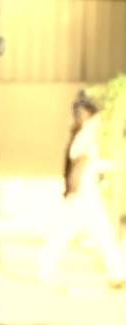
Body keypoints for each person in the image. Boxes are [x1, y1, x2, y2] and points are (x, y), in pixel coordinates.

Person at [39, 92, 126, 288]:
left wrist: (112, 166)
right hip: (83, 195)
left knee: (93, 233)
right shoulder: (85, 134)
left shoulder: (84, 133)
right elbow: (79, 165)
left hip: (84, 193)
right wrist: (72, 190)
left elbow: (88, 164)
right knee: (83, 233)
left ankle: (117, 272)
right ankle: (117, 272)